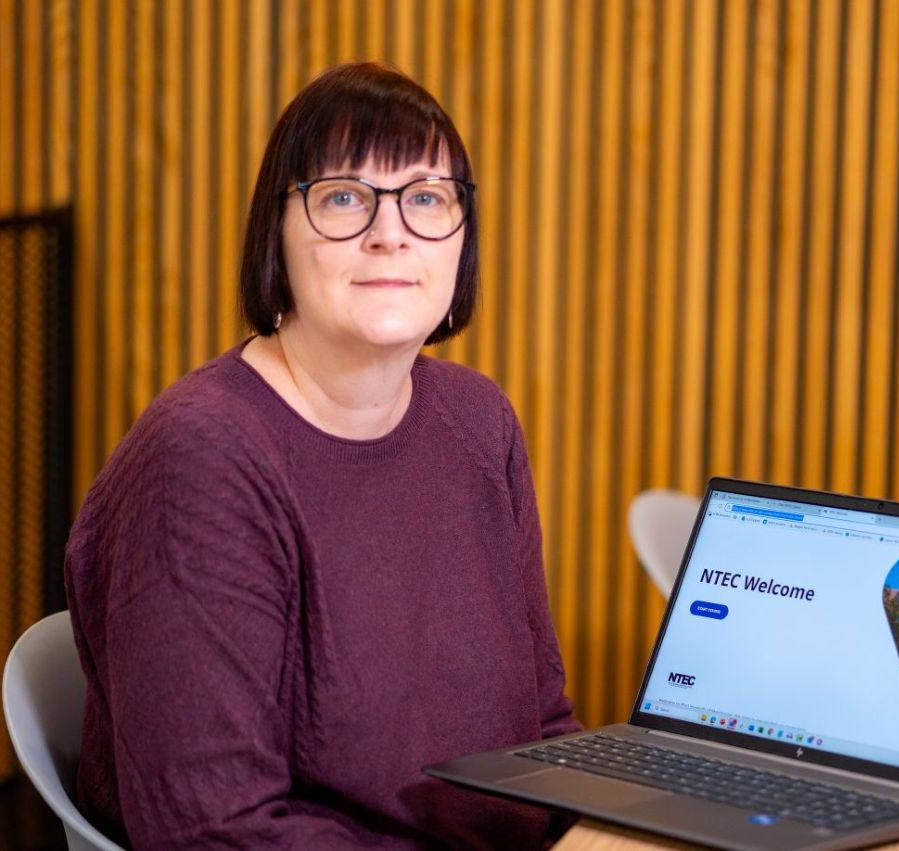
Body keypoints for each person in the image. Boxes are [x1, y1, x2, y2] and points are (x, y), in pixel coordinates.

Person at [65, 62, 579, 849]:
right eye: (343, 197)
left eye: (426, 198)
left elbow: (542, 721)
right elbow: (212, 827)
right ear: (276, 230)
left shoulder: (481, 421)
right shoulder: (204, 458)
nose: (389, 230)